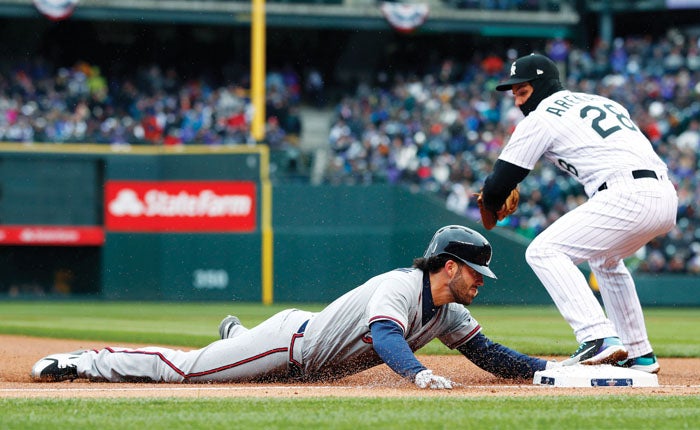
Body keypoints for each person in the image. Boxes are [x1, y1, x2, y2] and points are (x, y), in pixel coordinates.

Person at [32, 225, 558, 388]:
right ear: (448, 266)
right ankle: (86, 361)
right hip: (291, 345)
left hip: (304, 341)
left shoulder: (449, 313)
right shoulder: (399, 287)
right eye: (474, 272)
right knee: (188, 372)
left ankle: (236, 336)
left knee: (233, 353)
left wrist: (551, 370)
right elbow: (385, 336)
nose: (480, 282)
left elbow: (488, 354)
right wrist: (419, 375)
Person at [480, 53, 678, 374]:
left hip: (624, 193)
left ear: (543, 86)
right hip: (664, 195)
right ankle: (640, 354)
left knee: (544, 251)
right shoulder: (603, 102)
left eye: (523, 92)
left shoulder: (542, 116)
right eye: (514, 94)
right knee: (605, 260)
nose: (518, 103)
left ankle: (597, 337)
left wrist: (491, 200)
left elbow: (499, 182)